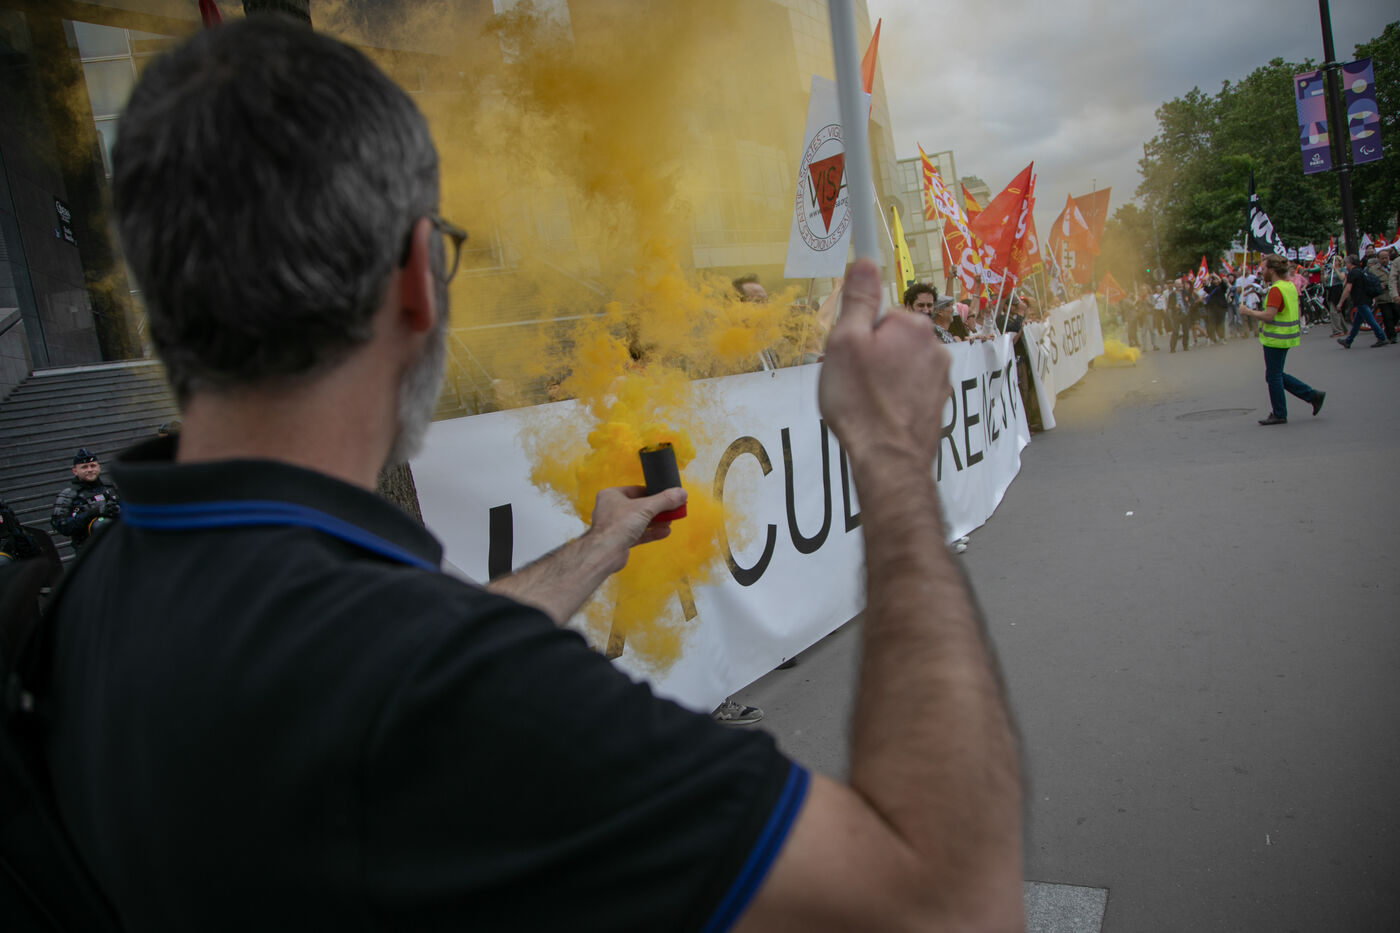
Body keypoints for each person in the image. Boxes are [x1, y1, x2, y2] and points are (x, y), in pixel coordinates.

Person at [40, 20, 1023, 931]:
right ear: (417, 277)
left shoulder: (94, 594)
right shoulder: (439, 690)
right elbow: (946, 903)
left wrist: (596, 548)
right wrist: (892, 458)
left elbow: (398, 650)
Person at [1239, 254, 1324, 426]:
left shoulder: (1276, 289)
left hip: (1276, 338)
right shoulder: (1289, 285)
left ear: (1272, 270)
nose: (1261, 272)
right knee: (1274, 374)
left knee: (1274, 376)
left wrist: (1248, 312)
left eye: (1263, 268)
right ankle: (1312, 396)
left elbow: (1269, 315)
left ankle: (1281, 412)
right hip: (1286, 335)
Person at [50, 448, 122, 552]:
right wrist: (90, 514)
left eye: (93, 465)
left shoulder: (111, 488)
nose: (90, 469)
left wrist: (117, 510)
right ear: (75, 471)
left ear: (99, 467)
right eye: (84, 467)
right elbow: (62, 526)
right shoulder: (68, 495)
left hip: (119, 546)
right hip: (89, 551)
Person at [1336, 253, 1388, 349]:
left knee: (1370, 320)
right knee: (1356, 323)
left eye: (1346, 263)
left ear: (1350, 263)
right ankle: (1348, 340)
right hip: (1366, 299)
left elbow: (1348, 289)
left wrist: (1340, 303)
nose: (1345, 265)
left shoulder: (1353, 273)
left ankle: (1382, 337)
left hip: (1360, 300)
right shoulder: (1361, 271)